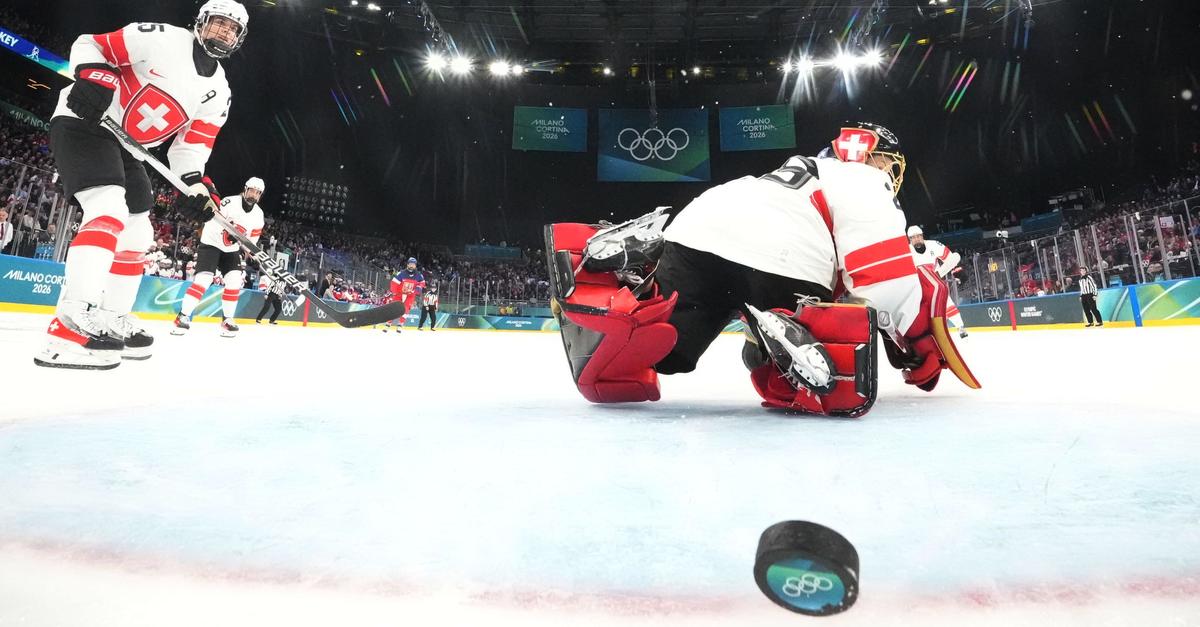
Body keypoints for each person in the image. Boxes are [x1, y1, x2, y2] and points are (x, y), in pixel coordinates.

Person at [545, 123, 977, 415]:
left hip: (699, 226)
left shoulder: (801, 169)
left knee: (666, 348)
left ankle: (621, 278)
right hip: (785, 252)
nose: (889, 171)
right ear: (868, 155)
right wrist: (915, 335)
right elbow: (883, 277)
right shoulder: (861, 178)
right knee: (806, 375)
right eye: (886, 161)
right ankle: (783, 334)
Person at [35, 0, 247, 369]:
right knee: (109, 207)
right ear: (200, 22)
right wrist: (93, 76)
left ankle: (112, 317)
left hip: (129, 146)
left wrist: (196, 187)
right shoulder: (162, 39)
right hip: (84, 121)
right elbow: (91, 44)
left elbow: (191, 150)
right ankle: (68, 321)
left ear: (239, 40)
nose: (224, 32)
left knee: (139, 232)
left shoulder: (220, 93)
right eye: (219, 23)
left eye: (233, 29)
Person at [172, 177, 265, 338]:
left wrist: (251, 253)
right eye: (252, 190)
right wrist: (230, 234)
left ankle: (227, 320)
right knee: (204, 280)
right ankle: (183, 316)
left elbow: (251, 242)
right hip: (211, 243)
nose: (254, 195)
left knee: (235, 280)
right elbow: (212, 222)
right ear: (245, 189)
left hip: (231, 250)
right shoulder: (230, 202)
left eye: (258, 193)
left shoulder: (259, 216)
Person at [907, 225, 968, 338]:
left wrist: (957, 272)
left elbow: (950, 257)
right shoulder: (906, 251)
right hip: (918, 285)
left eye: (918, 236)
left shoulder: (934, 245)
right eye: (913, 237)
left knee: (947, 303)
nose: (916, 239)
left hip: (935, 281)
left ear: (922, 236)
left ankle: (960, 327)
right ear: (910, 239)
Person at [383, 257, 425, 333]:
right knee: (394, 308)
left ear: (415, 266)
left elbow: (422, 283)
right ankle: (388, 323)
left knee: (406, 309)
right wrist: (394, 291)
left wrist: (418, 288)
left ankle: (400, 325)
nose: (412, 265)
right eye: (410, 264)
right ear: (408, 264)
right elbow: (394, 282)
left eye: (413, 264)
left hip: (410, 295)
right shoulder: (401, 273)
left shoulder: (419, 275)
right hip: (399, 294)